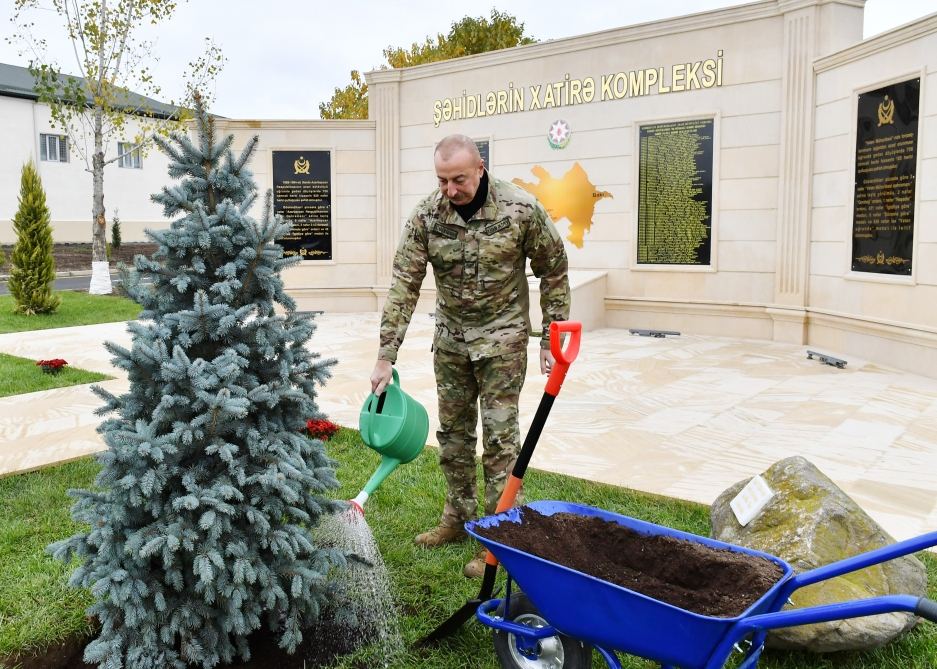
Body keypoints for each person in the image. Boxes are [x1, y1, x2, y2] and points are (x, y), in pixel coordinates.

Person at [370, 134, 570, 578]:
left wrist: (550, 338)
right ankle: (458, 519)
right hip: (452, 344)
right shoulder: (427, 214)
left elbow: (553, 268)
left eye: (458, 179)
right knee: (454, 439)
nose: (450, 190)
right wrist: (387, 354)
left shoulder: (519, 208)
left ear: (480, 168)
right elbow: (404, 282)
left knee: (500, 442)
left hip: (502, 342)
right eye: (442, 181)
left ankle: (496, 538)